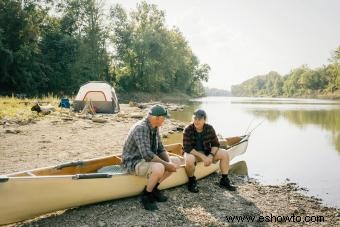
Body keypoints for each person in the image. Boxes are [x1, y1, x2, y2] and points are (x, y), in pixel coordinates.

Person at [122, 104, 180, 211]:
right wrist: (167, 165)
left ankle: (153, 188)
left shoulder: (154, 126)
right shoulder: (141, 128)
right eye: (164, 118)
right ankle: (146, 195)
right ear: (157, 118)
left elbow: (161, 148)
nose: (164, 121)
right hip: (134, 162)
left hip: (145, 160)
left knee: (176, 161)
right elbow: (147, 154)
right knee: (160, 167)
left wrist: (170, 162)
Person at [183, 109, 236, 193]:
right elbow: (187, 148)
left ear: (204, 120)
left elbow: (215, 144)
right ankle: (192, 181)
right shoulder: (188, 129)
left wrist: (211, 155)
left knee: (225, 153)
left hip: (207, 152)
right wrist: (203, 157)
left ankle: (224, 180)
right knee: (189, 160)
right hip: (193, 153)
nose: (197, 121)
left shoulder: (209, 128)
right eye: (195, 119)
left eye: (199, 119)